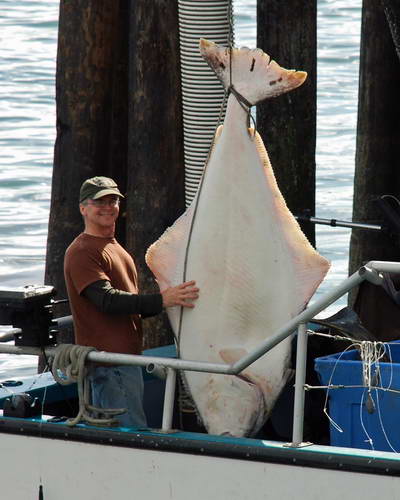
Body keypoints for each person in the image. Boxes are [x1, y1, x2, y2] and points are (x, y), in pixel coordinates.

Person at [64, 176, 199, 428]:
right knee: (127, 432)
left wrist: (163, 301)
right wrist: (162, 300)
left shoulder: (113, 247)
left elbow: (126, 306)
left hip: (126, 360)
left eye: (113, 200)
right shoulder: (83, 251)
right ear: (83, 208)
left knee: (125, 429)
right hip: (110, 364)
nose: (107, 206)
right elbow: (107, 301)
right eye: (99, 201)